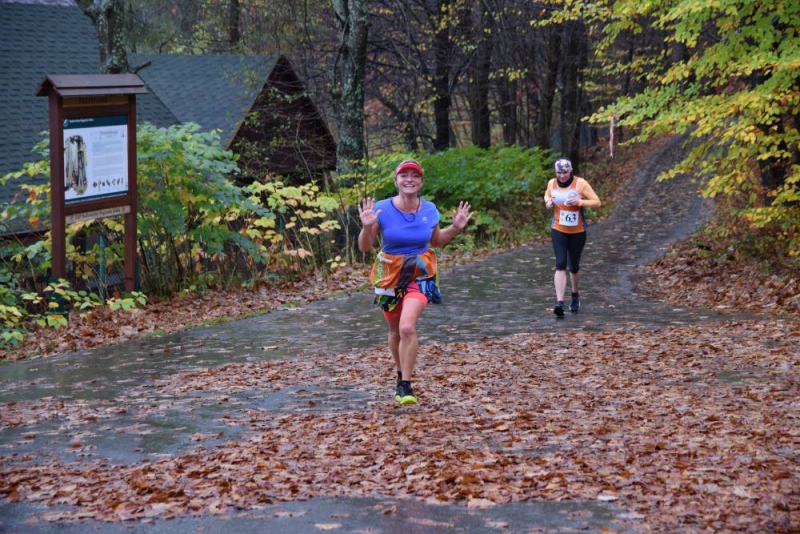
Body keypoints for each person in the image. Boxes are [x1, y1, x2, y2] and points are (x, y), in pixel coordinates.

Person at [359, 159, 472, 405]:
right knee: (394, 330)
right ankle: (400, 374)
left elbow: (436, 241)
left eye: (415, 176)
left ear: (421, 182)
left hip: (420, 273)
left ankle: (406, 386)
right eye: (404, 175)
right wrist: (367, 227)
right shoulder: (381, 208)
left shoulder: (430, 209)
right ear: (396, 180)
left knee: (407, 327)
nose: (409, 180)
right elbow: (365, 247)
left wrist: (454, 228)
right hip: (389, 274)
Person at [544, 158, 601, 317]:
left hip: (577, 231)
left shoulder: (580, 183)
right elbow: (547, 195)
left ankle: (575, 295)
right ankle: (559, 303)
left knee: (573, 266)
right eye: (558, 173)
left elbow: (597, 202)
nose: (561, 176)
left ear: (570, 171)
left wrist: (580, 202)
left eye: (564, 173)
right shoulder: (552, 183)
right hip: (558, 229)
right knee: (560, 263)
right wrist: (548, 202)